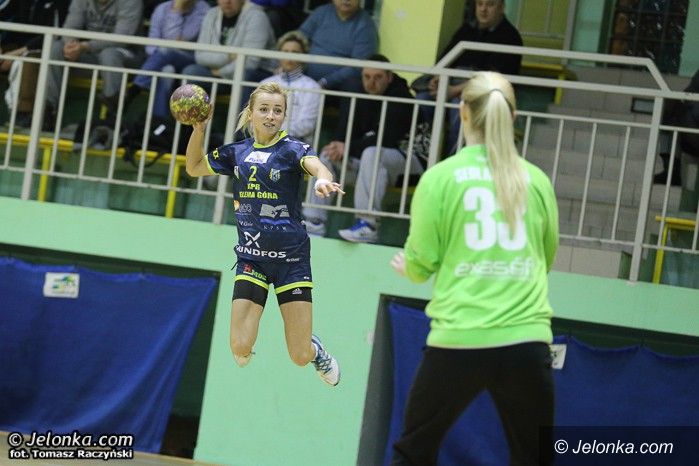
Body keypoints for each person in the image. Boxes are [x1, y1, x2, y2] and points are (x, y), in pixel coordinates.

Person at [389, 71, 558, 466]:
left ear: (462, 112)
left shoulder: (440, 178)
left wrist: (409, 267)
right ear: (513, 116)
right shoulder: (536, 181)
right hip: (526, 340)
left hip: (459, 339)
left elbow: (422, 264)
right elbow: (545, 258)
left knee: (413, 453)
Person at [184, 82, 343, 386]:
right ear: (251, 113)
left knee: (299, 356)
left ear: (283, 116)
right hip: (252, 259)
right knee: (239, 348)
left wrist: (323, 179)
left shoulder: (292, 149)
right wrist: (199, 130)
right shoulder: (237, 152)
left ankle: (316, 350)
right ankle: (250, 344)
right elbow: (193, 167)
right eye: (265, 109)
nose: (271, 116)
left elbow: (317, 166)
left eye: (278, 110)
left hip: (291, 260)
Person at [303, 55, 424, 242]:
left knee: (372, 153)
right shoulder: (357, 93)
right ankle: (314, 222)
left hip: (411, 163)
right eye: (367, 77)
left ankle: (368, 224)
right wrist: (337, 146)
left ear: (389, 77)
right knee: (327, 155)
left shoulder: (402, 97)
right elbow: (345, 132)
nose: (371, 82)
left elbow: (387, 139)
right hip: (373, 165)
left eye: (378, 77)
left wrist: (348, 147)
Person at [417, 0, 523, 154]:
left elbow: (492, 78)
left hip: (484, 94)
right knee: (422, 100)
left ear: (501, 8)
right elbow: (445, 59)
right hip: (452, 84)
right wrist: (437, 79)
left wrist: (453, 90)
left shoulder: (510, 37)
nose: (483, 9)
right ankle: (423, 155)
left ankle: (453, 160)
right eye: (480, 4)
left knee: (460, 109)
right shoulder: (467, 29)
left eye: (490, 5)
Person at [44, 0, 144, 126]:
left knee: (109, 54)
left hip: (128, 55)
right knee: (56, 48)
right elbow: (70, 27)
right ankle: (48, 111)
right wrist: (71, 46)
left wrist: (85, 46)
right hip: (92, 54)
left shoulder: (131, 2)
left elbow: (121, 39)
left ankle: (112, 115)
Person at [181, 0, 276, 107]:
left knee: (245, 74)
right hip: (219, 72)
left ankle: (239, 118)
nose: (227, 1)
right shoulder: (212, 14)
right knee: (191, 71)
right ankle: (189, 117)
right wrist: (228, 56)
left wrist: (221, 72)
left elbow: (250, 62)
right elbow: (200, 56)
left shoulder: (257, 17)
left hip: (256, 74)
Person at [127, 0, 210, 119]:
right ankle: (158, 119)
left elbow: (183, 38)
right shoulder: (162, 8)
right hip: (160, 59)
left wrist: (177, 10)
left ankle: (134, 89)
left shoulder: (203, 9)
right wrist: (158, 56)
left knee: (166, 51)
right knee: (167, 70)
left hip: (189, 59)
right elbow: (151, 44)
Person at [299, 0, 377, 91]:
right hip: (304, 76)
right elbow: (298, 38)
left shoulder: (365, 25)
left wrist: (326, 82)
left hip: (335, 86)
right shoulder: (321, 12)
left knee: (352, 84)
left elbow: (357, 66)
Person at [260, 30, 321, 144]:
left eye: (295, 52)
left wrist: (275, 131)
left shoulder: (312, 87)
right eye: (286, 51)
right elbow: (255, 119)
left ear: (303, 56)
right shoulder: (265, 83)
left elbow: (307, 125)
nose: (289, 56)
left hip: (296, 143)